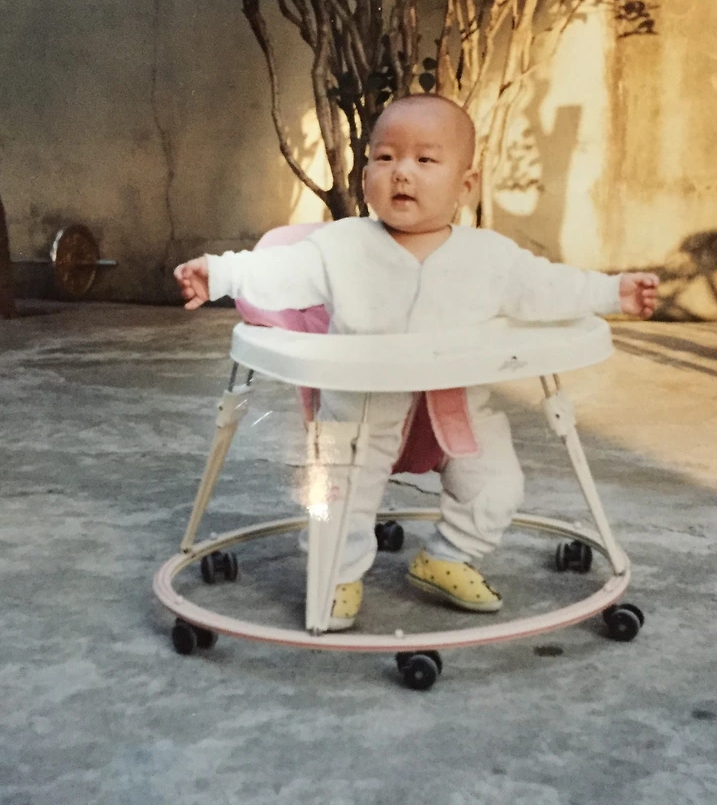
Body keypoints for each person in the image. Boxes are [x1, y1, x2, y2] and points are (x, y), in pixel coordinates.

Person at [174, 94, 658, 629]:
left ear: (466, 185)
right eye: (385, 158)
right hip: (357, 410)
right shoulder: (340, 246)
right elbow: (278, 273)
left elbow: (549, 288)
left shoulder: (489, 257)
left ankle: (449, 556)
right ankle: (335, 576)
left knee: (497, 486)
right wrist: (219, 274)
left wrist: (613, 292)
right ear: (365, 177)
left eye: (425, 160)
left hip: (455, 411)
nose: (402, 172)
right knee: (335, 500)